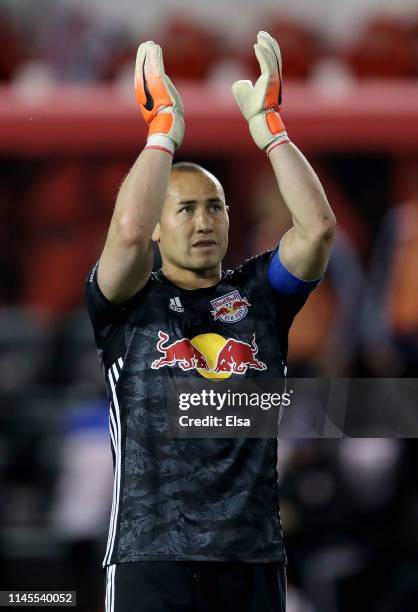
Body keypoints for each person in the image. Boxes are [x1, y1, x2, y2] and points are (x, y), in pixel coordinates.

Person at [85, 31, 336, 612]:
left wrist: (272, 130)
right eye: (185, 208)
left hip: (253, 559)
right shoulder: (126, 303)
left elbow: (318, 230)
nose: (203, 221)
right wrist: (162, 133)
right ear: (156, 224)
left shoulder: (260, 295)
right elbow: (124, 235)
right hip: (153, 556)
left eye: (215, 206)